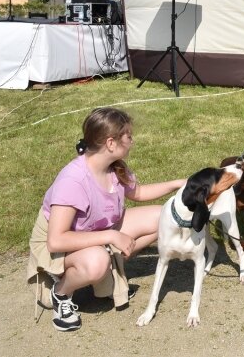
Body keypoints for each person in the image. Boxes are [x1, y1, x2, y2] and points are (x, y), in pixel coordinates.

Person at [26, 107, 187, 332]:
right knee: (96, 261)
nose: (132, 140)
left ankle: (109, 276)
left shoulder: (113, 168)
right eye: (128, 136)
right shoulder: (73, 180)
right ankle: (61, 292)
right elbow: (56, 241)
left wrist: (177, 184)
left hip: (95, 232)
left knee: (165, 217)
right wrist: (113, 235)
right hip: (60, 245)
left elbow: (137, 193)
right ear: (111, 143)